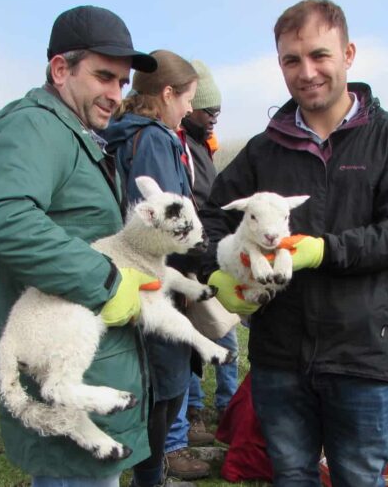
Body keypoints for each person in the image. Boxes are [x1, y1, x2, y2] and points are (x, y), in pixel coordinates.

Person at [200, 0, 388, 486]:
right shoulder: (264, 150)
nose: (306, 72)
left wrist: (324, 250)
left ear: (348, 54)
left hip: (362, 355)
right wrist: (216, 271)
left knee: (358, 478)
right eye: (291, 60)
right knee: (290, 474)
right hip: (279, 355)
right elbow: (209, 216)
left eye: (319, 56)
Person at [0, 5, 158, 487]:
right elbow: (0, 219)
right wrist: (106, 280)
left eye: (122, 82)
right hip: (62, 368)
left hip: (89, 362)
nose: (116, 94)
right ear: (60, 69)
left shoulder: (73, 133)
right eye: (103, 77)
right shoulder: (32, 126)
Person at [101, 50, 208, 487]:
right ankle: (150, 479)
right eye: (187, 100)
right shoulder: (157, 140)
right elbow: (169, 222)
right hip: (154, 283)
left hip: (129, 279)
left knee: (152, 386)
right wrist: (207, 259)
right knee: (164, 391)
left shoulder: (121, 134)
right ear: (167, 93)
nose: (189, 110)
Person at [163, 60, 239, 480]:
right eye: (205, 110)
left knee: (201, 343)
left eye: (215, 113)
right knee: (188, 346)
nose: (211, 119)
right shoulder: (169, 143)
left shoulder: (200, 146)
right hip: (182, 267)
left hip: (197, 262)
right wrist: (202, 260)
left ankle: (198, 418)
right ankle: (176, 439)